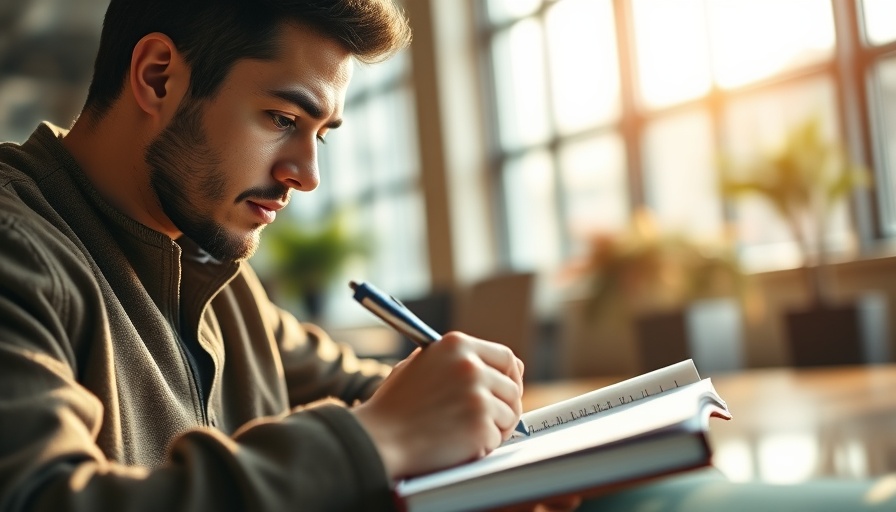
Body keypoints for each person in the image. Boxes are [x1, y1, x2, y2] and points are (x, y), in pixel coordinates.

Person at [0, 1, 566, 510]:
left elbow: (361, 388)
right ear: (158, 77)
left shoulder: (211, 266)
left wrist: (475, 439)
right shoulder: (18, 248)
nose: (307, 176)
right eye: (283, 119)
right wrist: (377, 441)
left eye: (318, 134)